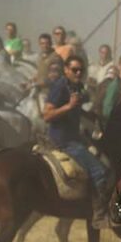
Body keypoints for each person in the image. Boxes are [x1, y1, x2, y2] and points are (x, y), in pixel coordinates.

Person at [43, 55, 108, 223]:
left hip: (76, 137)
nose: (78, 72)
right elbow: (47, 114)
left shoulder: (77, 87)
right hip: (62, 141)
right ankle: (99, 214)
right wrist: (68, 106)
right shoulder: (60, 87)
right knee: (99, 171)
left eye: (81, 70)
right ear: (66, 69)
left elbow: (79, 111)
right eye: (74, 69)